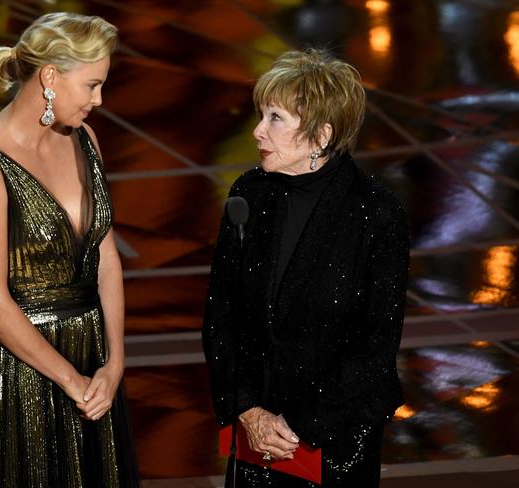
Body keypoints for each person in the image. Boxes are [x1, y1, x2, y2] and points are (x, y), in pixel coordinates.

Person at [0, 13, 139, 487]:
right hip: (14, 377)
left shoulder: (85, 140)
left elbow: (103, 253)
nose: (99, 100)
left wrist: (115, 361)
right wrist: (72, 381)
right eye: (91, 85)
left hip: (91, 363)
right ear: (50, 77)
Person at [202, 49, 410, 487]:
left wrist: (299, 427)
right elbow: (222, 315)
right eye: (262, 114)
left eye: (275, 117)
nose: (258, 130)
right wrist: (249, 410)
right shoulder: (250, 194)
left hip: (333, 441)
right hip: (255, 436)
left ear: (321, 135)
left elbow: (374, 349)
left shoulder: (376, 214)